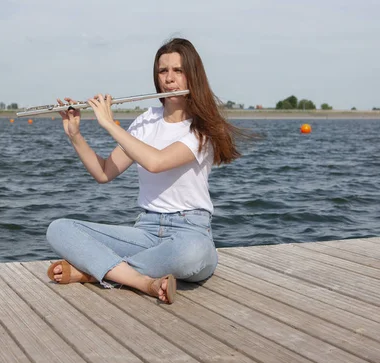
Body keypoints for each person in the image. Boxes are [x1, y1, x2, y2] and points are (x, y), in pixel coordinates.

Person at [46, 38, 244, 304]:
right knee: (59, 229)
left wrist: (108, 123)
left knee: (191, 254)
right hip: (146, 230)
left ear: (192, 75)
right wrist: (75, 135)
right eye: (163, 71)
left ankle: (95, 272)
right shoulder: (146, 121)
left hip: (190, 230)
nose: (169, 79)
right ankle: (141, 280)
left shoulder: (204, 128)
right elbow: (104, 173)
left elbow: (156, 162)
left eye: (178, 70)